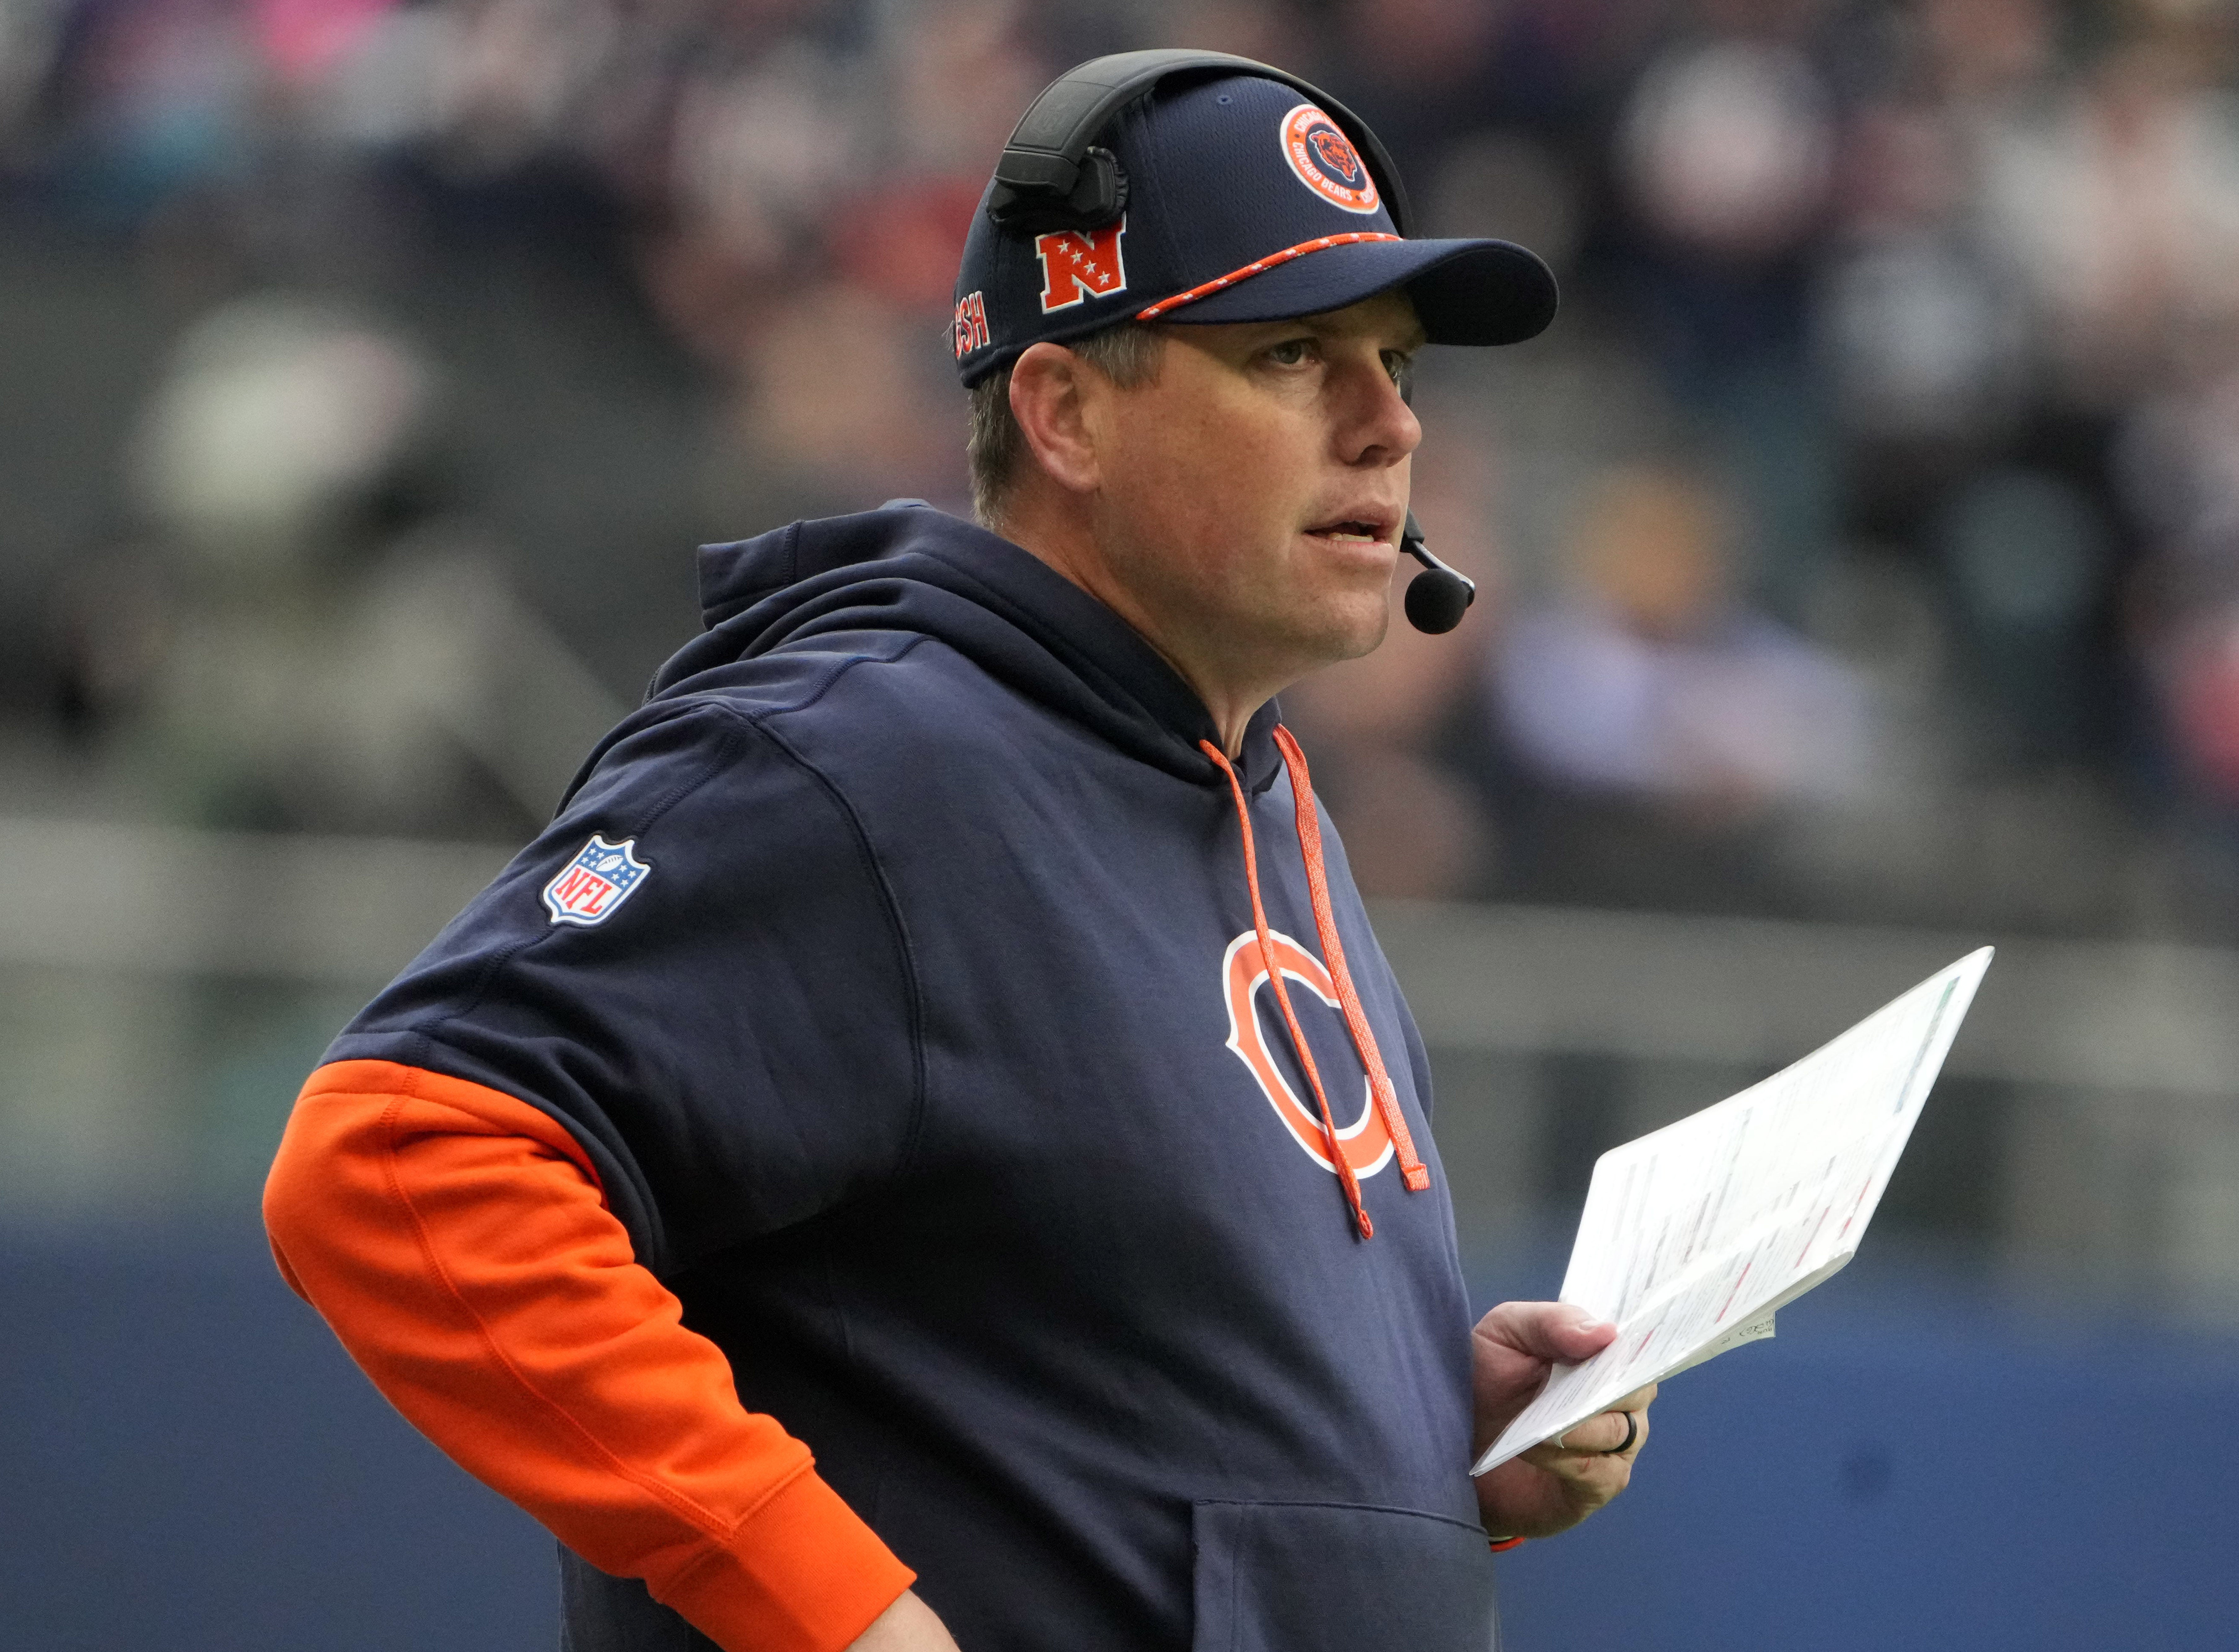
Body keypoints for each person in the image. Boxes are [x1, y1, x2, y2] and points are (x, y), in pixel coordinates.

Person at [263, 56, 1654, 1652]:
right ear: (1064, 412)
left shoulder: (1258, 794)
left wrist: (1424, 1436)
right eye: (1291, 354)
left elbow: (1073, 1385)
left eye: (1396, 360)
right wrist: (835, 1609)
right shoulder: (865, 755)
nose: (1390, 423)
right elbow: (394, 1161)